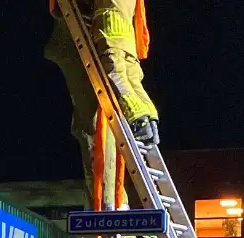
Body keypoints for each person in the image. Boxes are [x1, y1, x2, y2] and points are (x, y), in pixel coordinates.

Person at [47, 0, 160, 144]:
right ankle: (149, 121)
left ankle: (138, 120)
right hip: (126, 32)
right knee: (132, 78)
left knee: (114, 74)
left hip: (111, 26)